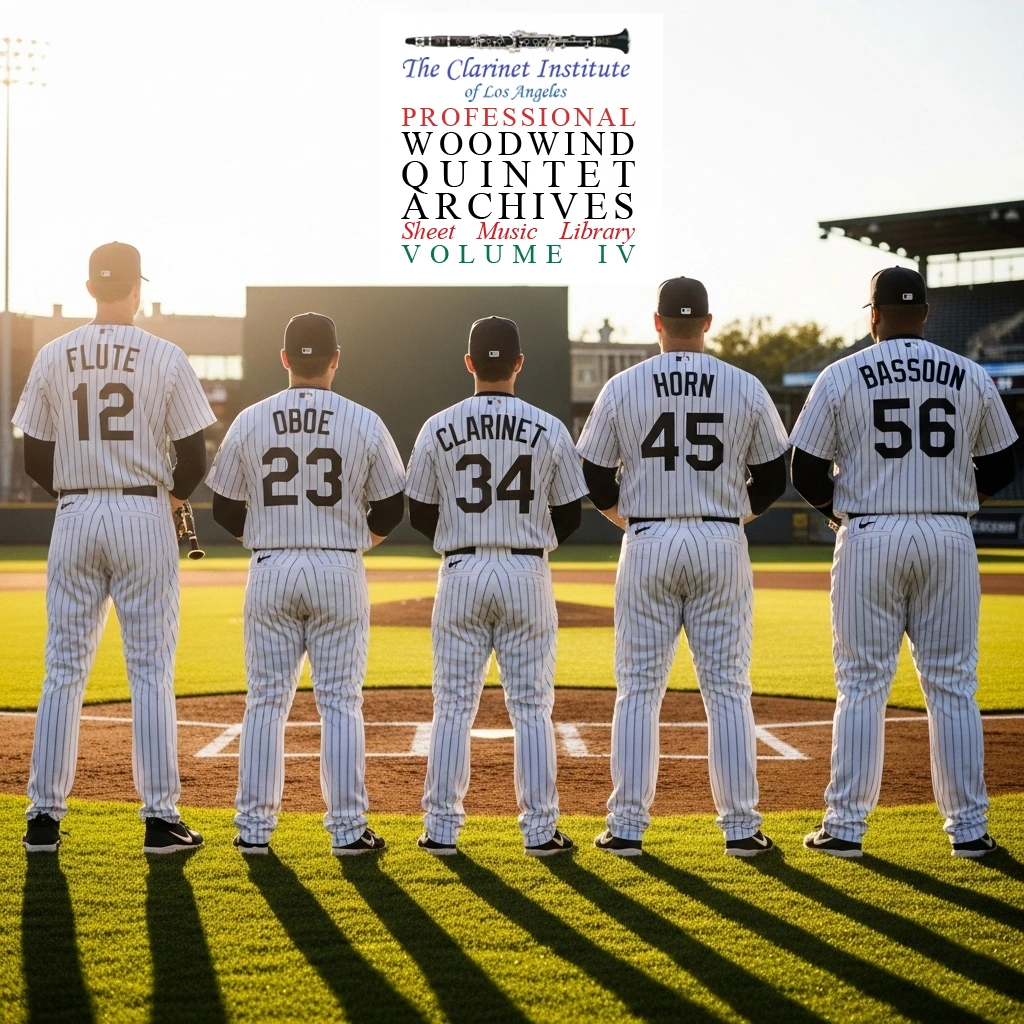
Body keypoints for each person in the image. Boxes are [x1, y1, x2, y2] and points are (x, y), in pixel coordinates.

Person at [791, 267, 1018, 858]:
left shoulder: (841, 374)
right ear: (925, 314)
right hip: (948, 533)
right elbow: (1002, 464)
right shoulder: (970, 374)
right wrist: (954, 501)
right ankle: (969, 831)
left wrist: (837, 514)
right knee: (953, 685)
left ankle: (845, 828)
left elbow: (805, 469)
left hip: (869, 532)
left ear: (873, 314)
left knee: (862, 684)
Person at [576, 276, 789, 857]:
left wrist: (628, 519)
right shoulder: (743, 385)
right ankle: (741, 828)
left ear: (657, 323)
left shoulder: (622, 386)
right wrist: (733, 516)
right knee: (727, 690)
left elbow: (593, 474)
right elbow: (775, 474)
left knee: (638, 690)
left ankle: (626, 827)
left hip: (648, 538)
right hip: (720, 538)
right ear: (708, 323)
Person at [14, 242, 215, 854]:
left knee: (63, 669)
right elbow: (195, 456)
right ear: (136, 289)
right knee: (150, 670)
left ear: (88, 288)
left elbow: (33, 455)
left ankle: (43, 819)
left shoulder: (53, 354)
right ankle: (160, 820)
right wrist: (169, 500)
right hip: (142, 511)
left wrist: (77, 491)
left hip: (74, 512)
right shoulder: (165, 354)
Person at [206, 313, 405, 856]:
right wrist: (356, 543)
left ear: (285, 358)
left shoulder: (250, 419)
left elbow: (223, 506)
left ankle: (253, 831)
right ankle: (348, 830)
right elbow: (392, 505)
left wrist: (265, 539)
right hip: (338, 567)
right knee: (339, 702)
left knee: (265, 701)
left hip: (270, 565)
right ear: (335, 359)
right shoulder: (363, 421)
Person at [406, 316, 588, 856]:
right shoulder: (549, 426)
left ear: (469, 363)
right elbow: (570, 514)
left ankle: (440, 830)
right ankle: (540, 831)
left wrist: (462, 540)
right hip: (526, 569)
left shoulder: (437, 426)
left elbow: (420, 511)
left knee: (452, 706)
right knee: (531, 707)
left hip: (460, 569)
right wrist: (528, 542)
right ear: (518, 363)